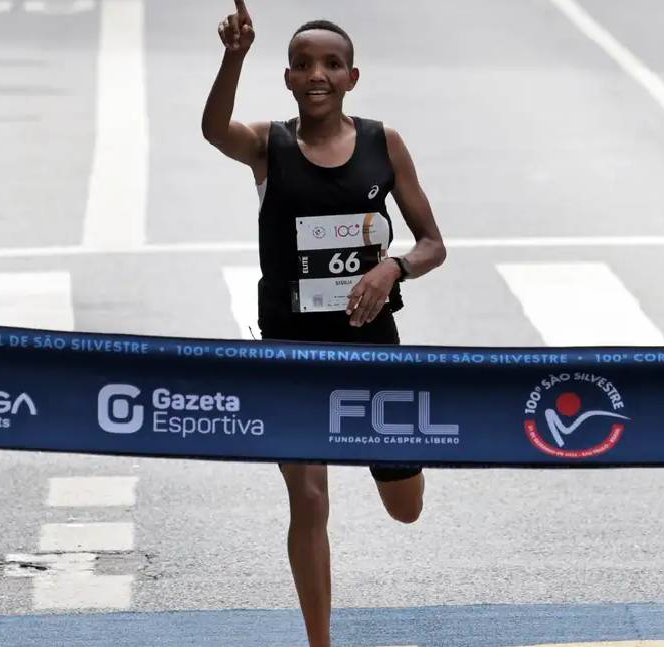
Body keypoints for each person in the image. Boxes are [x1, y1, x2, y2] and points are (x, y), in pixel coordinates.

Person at [201, 2, 447, 645]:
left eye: (331, 64)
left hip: (371, 349)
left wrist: (392, 268)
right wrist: (234, 56)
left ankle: (391, 468)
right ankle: (320, 641)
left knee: (407, 509)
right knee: (308, 499)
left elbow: (432, 244)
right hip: (291, 349)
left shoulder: (382, 143)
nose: (318, 74)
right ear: (287, 77)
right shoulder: (268, 145)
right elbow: (212, 129)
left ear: (351, 77)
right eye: (304, 64)